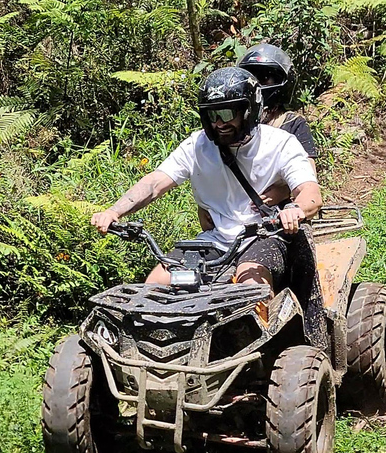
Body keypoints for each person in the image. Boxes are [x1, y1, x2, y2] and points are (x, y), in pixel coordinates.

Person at [91, 66, 322, 290]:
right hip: (215, 240)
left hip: (263, 235)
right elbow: (154, 183)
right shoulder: (197, 145)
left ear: (249, 110)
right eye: (213, 115)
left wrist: (295, 209)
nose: (219, 123)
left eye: (227, 113)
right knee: (156, 283)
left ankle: (266, 329)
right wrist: (115, 211)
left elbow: (310, 192)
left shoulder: (280, 144)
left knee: (250, 286)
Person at [198, 43, 318, 231]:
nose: (259, 84)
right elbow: (212, 166)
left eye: (265, 78)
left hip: (279, 218)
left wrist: (283, 192)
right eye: (252, 77)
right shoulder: (228, 124)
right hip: (231, 217)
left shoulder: (291, 124)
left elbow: (308, 178)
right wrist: (206, 204)